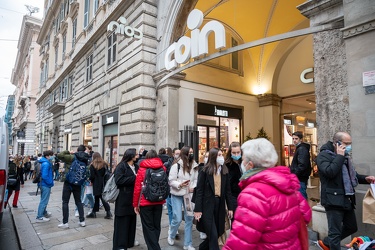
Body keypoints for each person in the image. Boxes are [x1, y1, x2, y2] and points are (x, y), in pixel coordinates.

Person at [223, 138, 312, 249]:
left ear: (250, 165)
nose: (242, 162)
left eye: (244, 159)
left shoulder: (253, 194)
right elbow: (306, 215)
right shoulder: (288, 185)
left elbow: (240, 242)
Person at [316, 132, 375, 250]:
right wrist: (340, 156)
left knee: (351, 227)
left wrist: (366, 179)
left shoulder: (345, 157)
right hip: (333, 199)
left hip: (346, 198)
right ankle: (331, 243)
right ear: (336, 143)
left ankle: (327, 242)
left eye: (350, 144)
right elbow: (330, 172)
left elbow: (352, 175)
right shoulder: (323, 156)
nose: (349, 146)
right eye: (346, 143)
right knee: (335, 232)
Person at [194, 148, 234, 250]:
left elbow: (228, 191)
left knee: (218, 232)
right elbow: (199, 191)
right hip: (207, 205)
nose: (222, 157)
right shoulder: (204, 171)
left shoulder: (224, 171)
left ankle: (202, 248)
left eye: (222, 155)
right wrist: (198, 209)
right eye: (219, 155)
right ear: (213, 157)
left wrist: (230, 208)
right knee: (213, 234)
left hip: (219, 205)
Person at [133, 150, 166, 250]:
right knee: (156, 225)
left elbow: (138, 188)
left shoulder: (142, 169)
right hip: (159, 201)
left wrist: (135, 204)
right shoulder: (162, 167)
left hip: (145, 202)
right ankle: (154, 245)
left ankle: (154, 247)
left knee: (148, 227)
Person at [168, 146, 198, 250]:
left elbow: (196, 179)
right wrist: (180, 184)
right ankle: (171, 234)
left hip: (188, 195)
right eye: (189, 152)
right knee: (177, 217)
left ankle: (187, 244)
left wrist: (192, 187)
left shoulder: (194, 165)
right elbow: (171, 180)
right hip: (177, 194)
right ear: (184, 153)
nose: (191, 154)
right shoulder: (176, 166)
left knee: (189, 217)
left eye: (192, 152)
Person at [57, 145, 90, 229]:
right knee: (78, 201)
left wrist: (68, 151)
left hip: (68, 182)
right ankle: (82, 221)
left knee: (65, 202)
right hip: (78, 183)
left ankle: (65, 223)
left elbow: (59, 155)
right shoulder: (86, 158)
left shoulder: (72, 157)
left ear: (77, 150)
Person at [113, 148, 140, 250]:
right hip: (123, 199)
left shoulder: (136, 166)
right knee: (122, 223)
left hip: (133, 199)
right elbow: (119, 180)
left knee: (131, 221)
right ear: (131, 156)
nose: (138, 156)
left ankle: (129, 241)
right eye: (136, 154)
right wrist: (135, 177)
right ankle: (120, 245)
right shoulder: (121, 166)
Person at [87, 152, 112, 219]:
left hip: (96, 183)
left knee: (99, 197)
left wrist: (90, 181)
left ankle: (107, 212)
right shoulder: (104, 164)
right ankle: (95, 212)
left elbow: (92, 176)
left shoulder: (93, 165)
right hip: (104, 182)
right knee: (99, 197)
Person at [224, 142, 242, 222]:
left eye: (238, 152)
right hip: (233, 196)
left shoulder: (245, 163)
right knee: (235, 220)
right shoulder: (227, 165)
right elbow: (227, 185)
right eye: (234, 153)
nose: (236, 154)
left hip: (245, 194)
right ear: (230, 152)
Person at [290, 131, 312, 200]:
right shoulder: (300, 148)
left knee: (301, 197)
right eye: (293, 139)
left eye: (296, 139)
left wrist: (295, 174)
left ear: (301, 139)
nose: (294, 140)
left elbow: (302, 165)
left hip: (300, 178)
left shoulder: (302, 149)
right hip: (300, 177)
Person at [36, 150, 54, 222]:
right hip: (45, 184)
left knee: (43, 199)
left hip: (42, 183)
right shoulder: (46, 163)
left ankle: (44, 212)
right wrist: (50, 182)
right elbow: (45, 175)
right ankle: (39, 216)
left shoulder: (43, 162)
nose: (52, 157)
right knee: (44, 200)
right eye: (51, 155)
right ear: (47, 156)